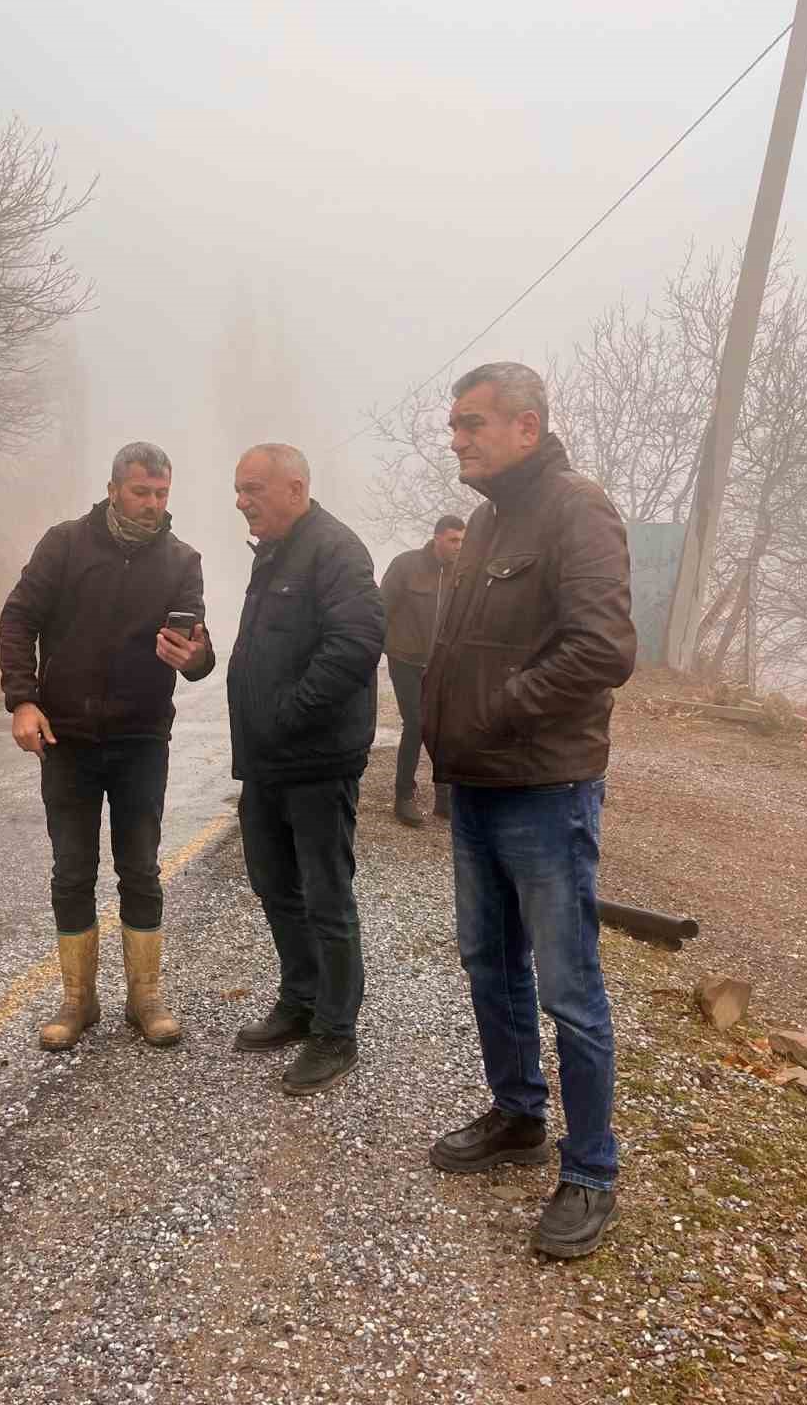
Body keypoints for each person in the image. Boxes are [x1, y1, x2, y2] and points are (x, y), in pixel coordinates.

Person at [421, 363, 636, 1259]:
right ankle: (518, 1116)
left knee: (568, 987)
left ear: (526, 424)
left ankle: (591, 1170)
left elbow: (604, 648)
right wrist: (451, 744)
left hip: (545, 789)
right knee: (489, 966)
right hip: (477, 785)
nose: (458, 439)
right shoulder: (484, 522)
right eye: (455, 426)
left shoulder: (576, 509)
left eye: (472, 424)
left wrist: (501, 709)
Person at [0, 441, 214, 1052]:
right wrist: (23, 699)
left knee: (140, 869)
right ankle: (78, 1000)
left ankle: (145, 998)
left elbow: (196, 644)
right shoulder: (64, 544)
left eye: (162, 493)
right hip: (64, 737)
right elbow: (18, 620)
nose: (152, 504)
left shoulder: (181, 559)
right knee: (71, 871)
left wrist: (196, 657)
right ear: (115, 488)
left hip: (142, 737)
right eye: (142, 491)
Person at [227, 444, 385, 1096]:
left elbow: (355, 643)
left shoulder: (335, 549)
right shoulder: (274, 551)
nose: (241, 500)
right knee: (274, 885)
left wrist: (289, 713)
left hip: (316, 760)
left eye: (253, 488)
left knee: (326, 895)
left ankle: (336, 1031)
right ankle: (299, 999)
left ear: (295, 486)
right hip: (267, 763)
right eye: (238, 489)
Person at [379, 515, 466, 826]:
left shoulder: (461, 573)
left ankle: (444, 797)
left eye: (462, 541)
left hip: (441, 663)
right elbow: (382, 609)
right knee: (416, 723)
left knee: (443, 726)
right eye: (454, 540)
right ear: (437, 538)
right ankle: (404, 795)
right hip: (405, 658)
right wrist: (370, 651)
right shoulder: (407, 565)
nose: (459, 546)